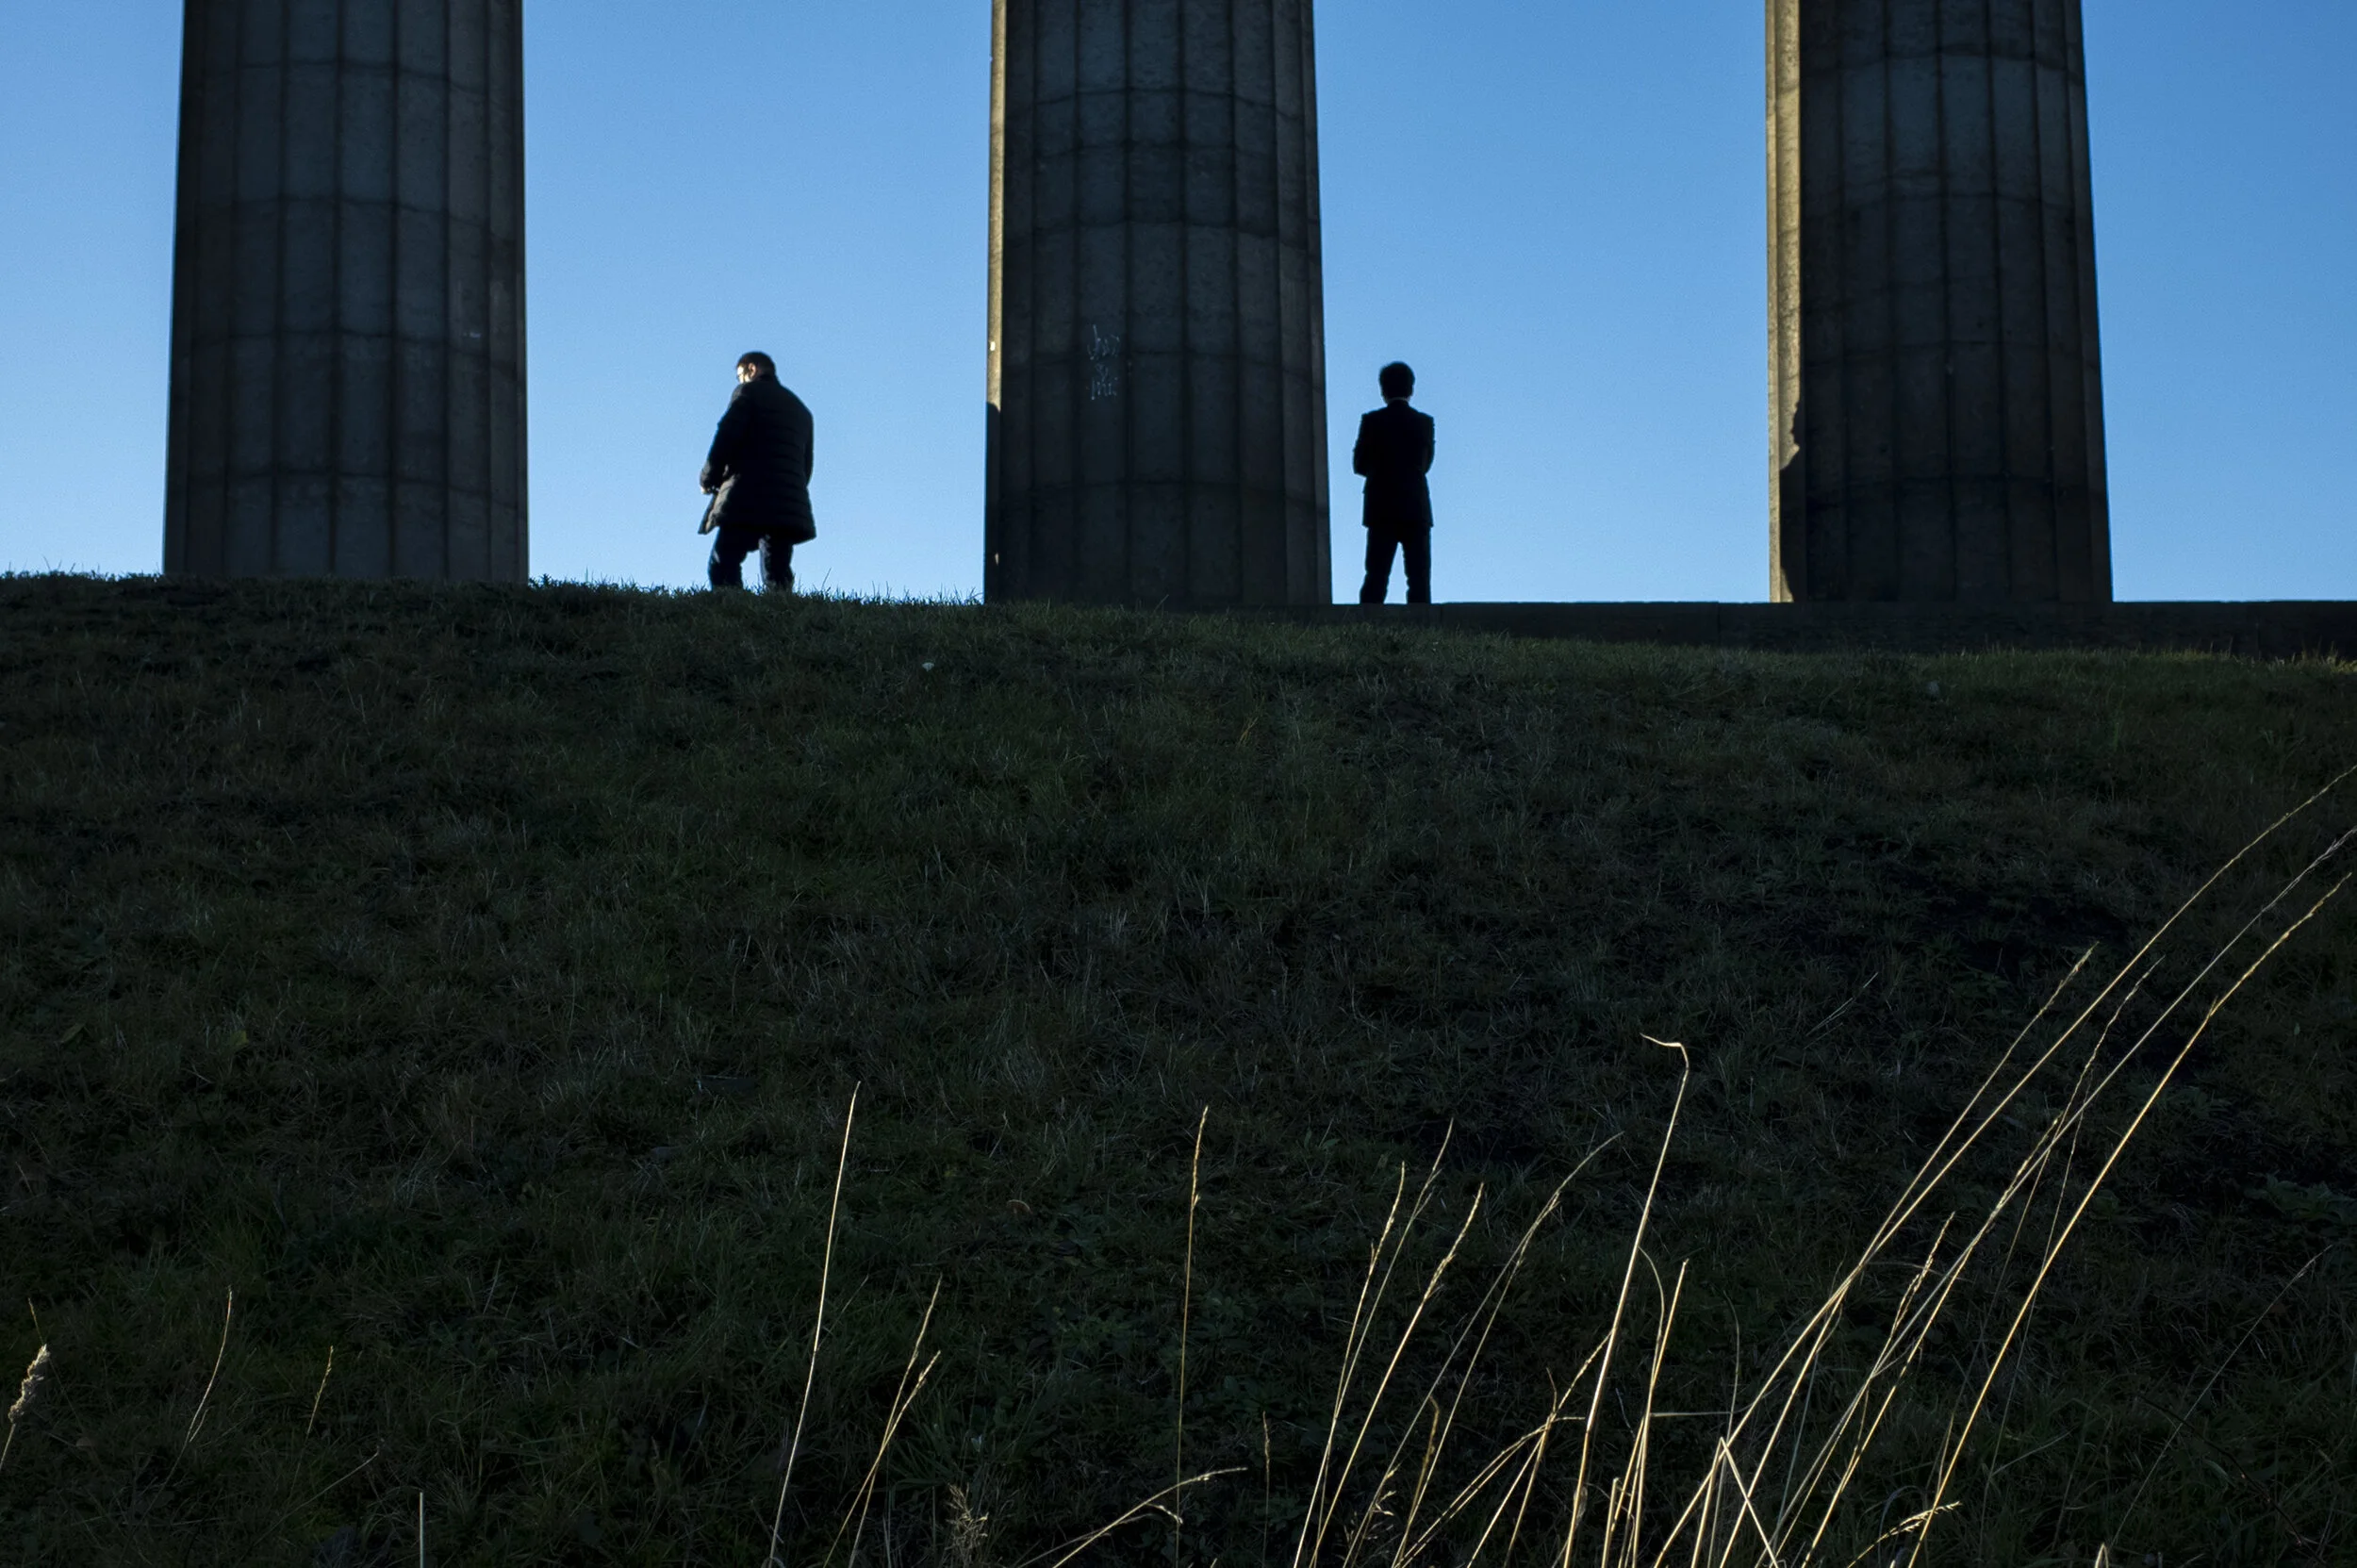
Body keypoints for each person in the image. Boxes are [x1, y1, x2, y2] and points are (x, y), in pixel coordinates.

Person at [701, 352, 816, 592]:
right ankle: (781, 621)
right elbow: (805, 466)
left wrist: (708, 477)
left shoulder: (747, 393)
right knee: (777, 572)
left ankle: (730, 615)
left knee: (723, 562)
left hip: (747, 493)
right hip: (786, 502)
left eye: (740, 375)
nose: (740, 381)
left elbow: (726, 438)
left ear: (751, 369)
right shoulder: (802, 411)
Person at [1353, 361, 1436, 605]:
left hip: (1381, 506)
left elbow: (1359, 464)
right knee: (1419, 579)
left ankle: (1365, 629)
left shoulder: (1371, 421)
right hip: (1415, 506)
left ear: (1383, 389)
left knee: (1376, 577)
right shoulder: (1424, 422)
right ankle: (1422, 633)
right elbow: (1426, 463)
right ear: (1411, 388)